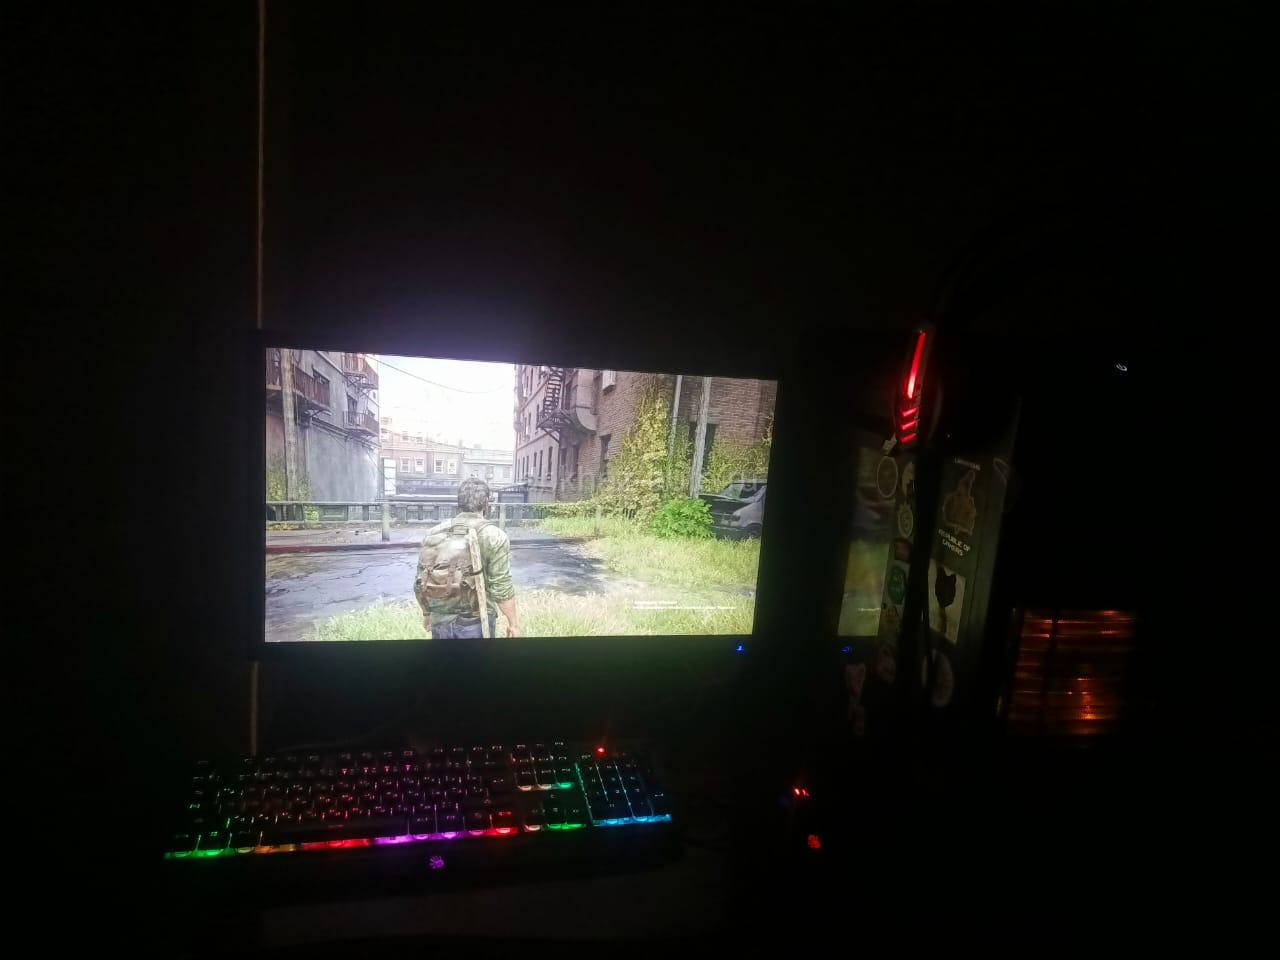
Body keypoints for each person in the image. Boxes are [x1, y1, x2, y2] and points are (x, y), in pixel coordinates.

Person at [414, 477, 522, 638]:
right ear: (486, 503)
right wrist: (513, 624)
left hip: (440, 619)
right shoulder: (494, 535)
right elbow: (501, 586)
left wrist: (427, 613)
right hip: (476, 623)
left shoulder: (435, 532)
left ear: (459, 502)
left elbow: (423, 576)